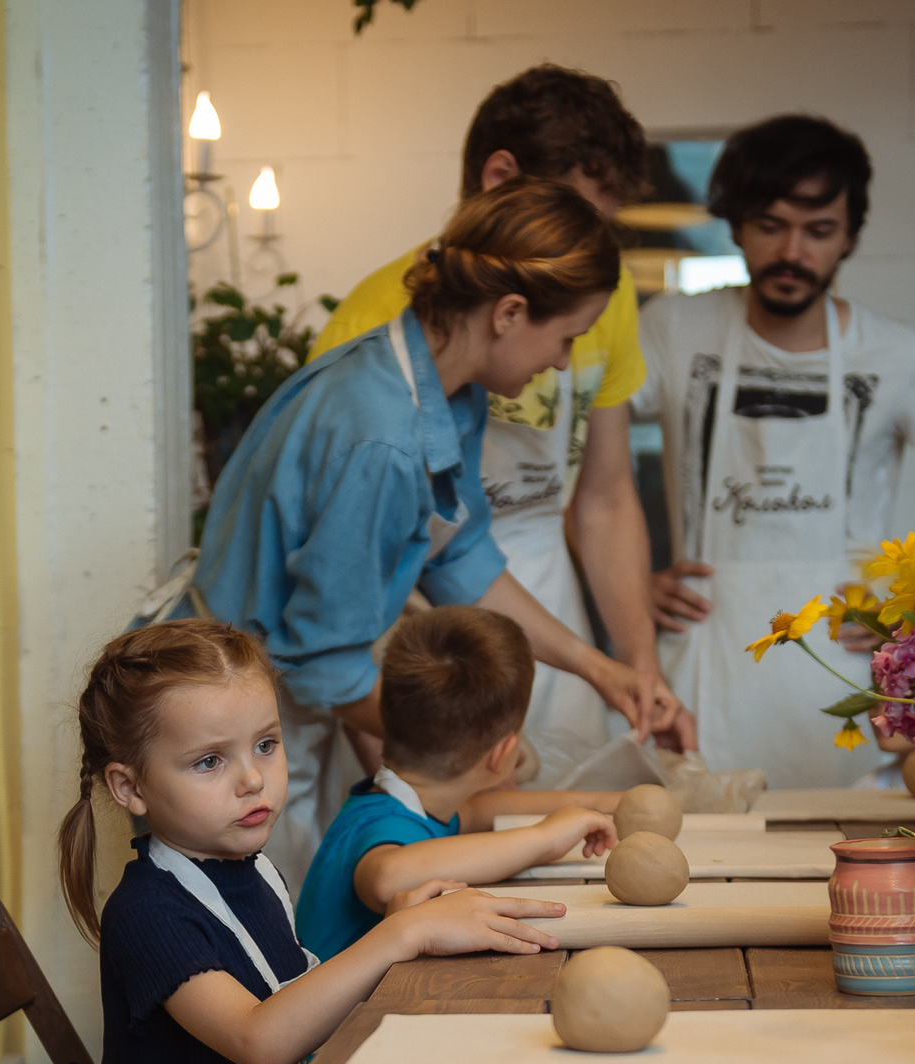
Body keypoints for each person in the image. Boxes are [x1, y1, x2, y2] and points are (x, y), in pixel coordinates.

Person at [59, 617, 568, 1064]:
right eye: (210, 760)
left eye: (266, 744)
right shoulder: (147, 911)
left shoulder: (252, 869)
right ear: (129, 787)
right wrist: (397, 935)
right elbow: (261, 1039)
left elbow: (293, 986)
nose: (252, 779)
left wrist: (405, 919)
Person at [195, 176, 651, 890]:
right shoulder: (385, 437)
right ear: (509, 312)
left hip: (288, 690)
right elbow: (325, 660)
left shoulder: (443, 391)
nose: (563, 361)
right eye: (565, 338)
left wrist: (599, 667)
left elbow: (461, 556)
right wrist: (464, 749)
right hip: (232, 713)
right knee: (270, 951)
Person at [314, 64, 694, 780]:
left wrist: (636, 672)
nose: (560, 362)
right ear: (499, 178)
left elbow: (606, 498)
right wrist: (396, 773)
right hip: (419, 647)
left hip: (544, 606)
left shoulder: (593, 296)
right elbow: (341, 618)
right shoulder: (369, 338)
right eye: (577, 219)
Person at [635, 114, 915, 788]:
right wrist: (630, 586)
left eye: (819, 231)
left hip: (845, 677)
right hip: (706, 669)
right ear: (735, 224)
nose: (792, 252)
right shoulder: (674, 328)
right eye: (770, 225)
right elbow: (582, 461)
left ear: (850, 236)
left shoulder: (900, 354)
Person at [297, 607, 627, 962]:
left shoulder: (412, 802)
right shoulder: (382, 826)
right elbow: (387, 878)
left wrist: (600, 803)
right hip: (343, 1019)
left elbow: (480, 810)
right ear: (502, 754)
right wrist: (545, 839)